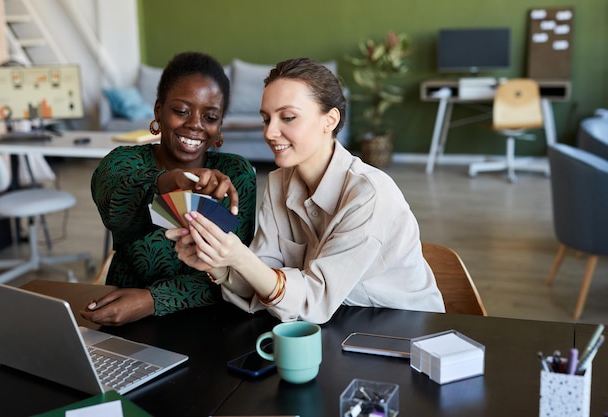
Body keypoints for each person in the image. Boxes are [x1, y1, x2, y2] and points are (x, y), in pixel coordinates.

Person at [166, 57, 444, 324]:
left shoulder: (369, 195)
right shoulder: (278, 183)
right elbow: (263, 278)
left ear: (330, 120)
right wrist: (218, 262)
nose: (270, 132)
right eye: (266, 119)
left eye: (287, 117)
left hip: (404, 333)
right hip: (335, 327)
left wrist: (240, 256)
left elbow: (315, 299)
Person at [82, 52, 257, 326]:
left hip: (213, 319)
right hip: (128, 319)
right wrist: (171, 181)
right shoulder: (123, 162)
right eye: (182, 111)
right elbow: (113, 204)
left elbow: (242, 270)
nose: (195, 124)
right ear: (158, 111)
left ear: (219, 125)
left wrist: (153, 300)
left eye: (210, 116)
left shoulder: (235, 174)